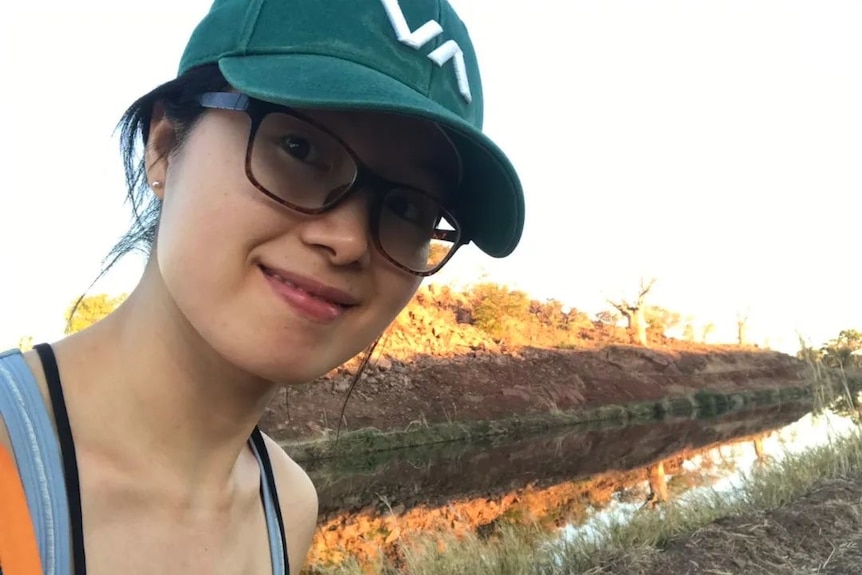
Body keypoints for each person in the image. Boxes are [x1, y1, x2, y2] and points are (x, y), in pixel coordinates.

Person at [0, 0, 524, 573]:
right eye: (299, 148)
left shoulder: (287, 505)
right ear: (166, 148)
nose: (348, 241)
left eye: (409, 206)